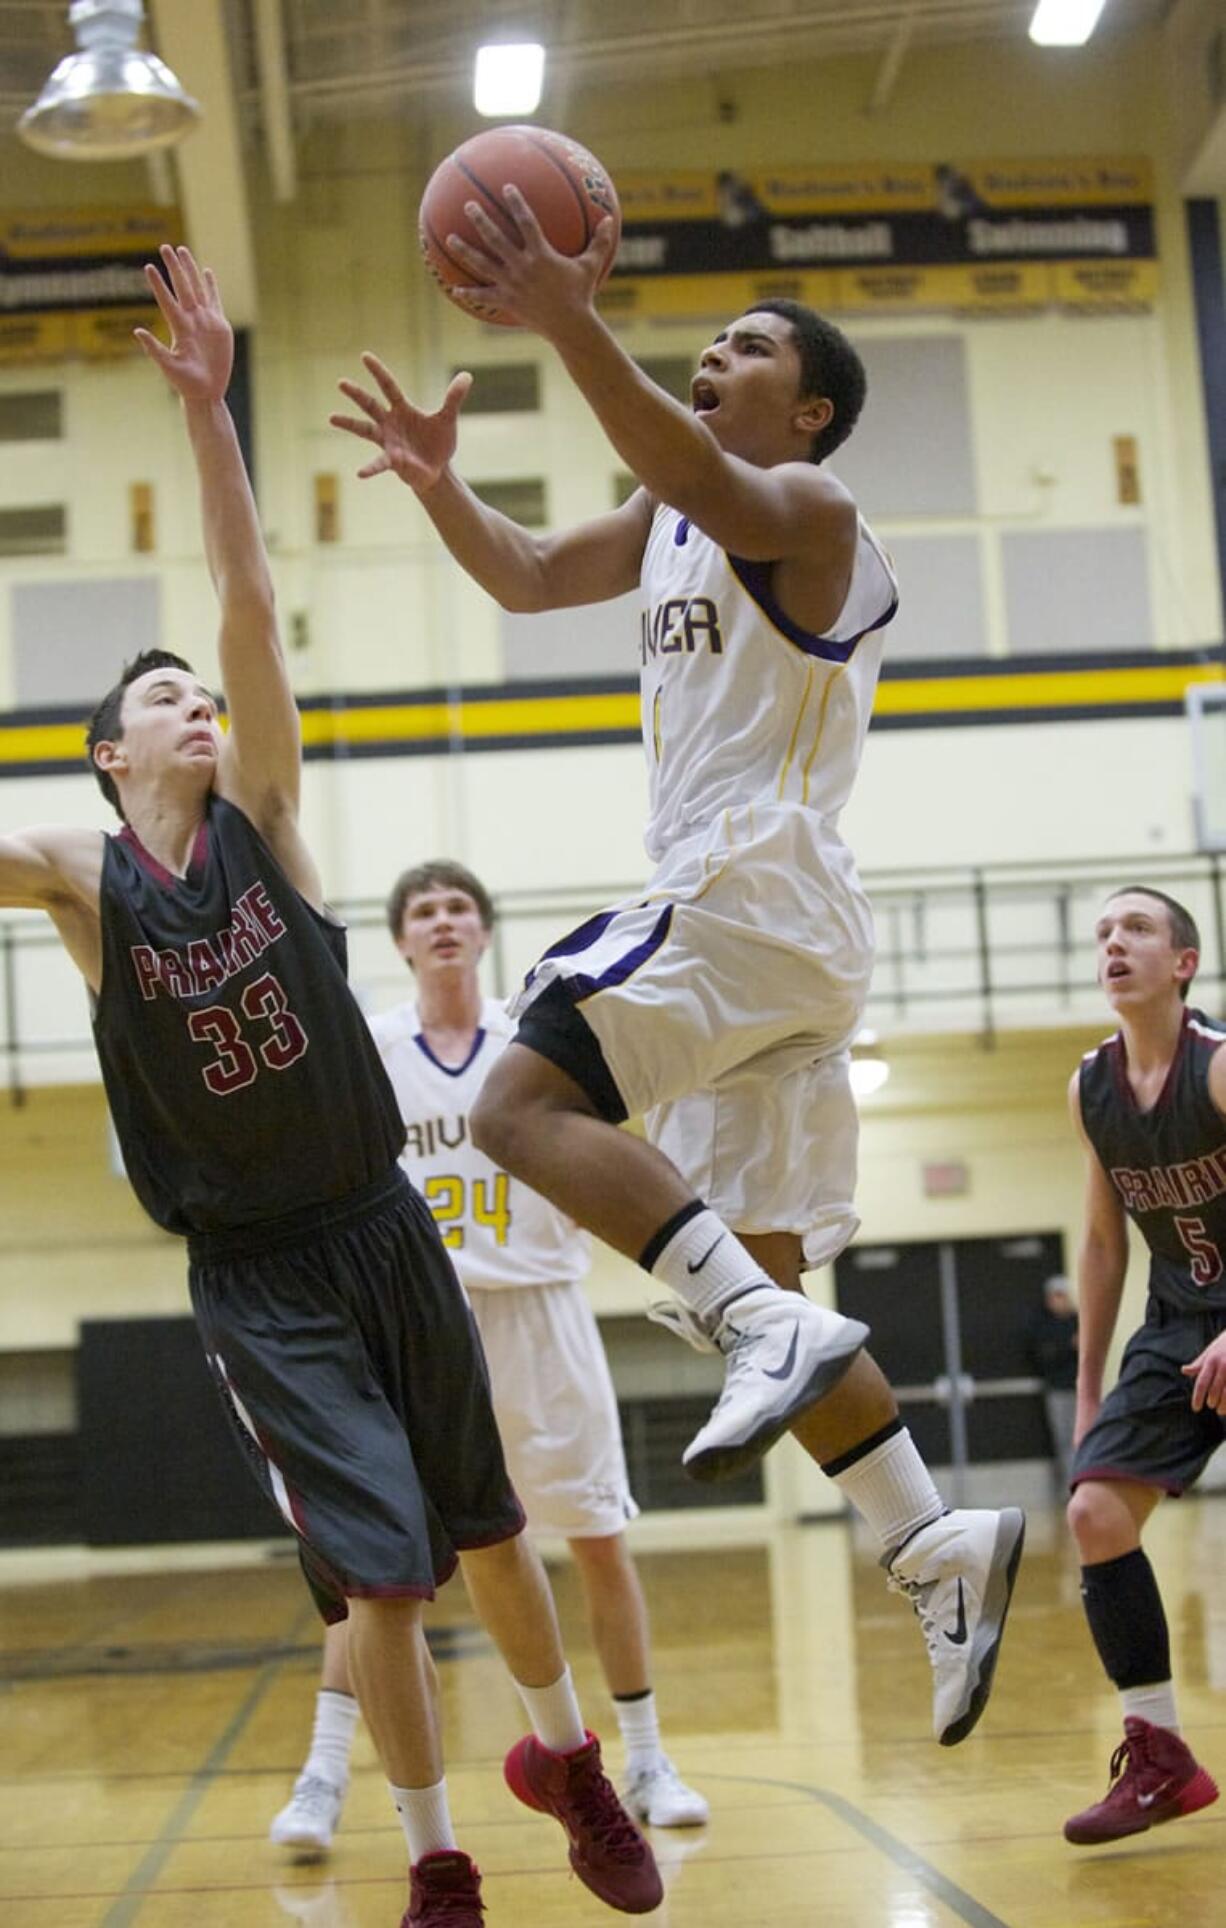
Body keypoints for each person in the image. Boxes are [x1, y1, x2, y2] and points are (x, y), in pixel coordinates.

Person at [0, 245, 661, 1928]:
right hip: (259, 1270)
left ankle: (571, 1759)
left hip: (383, 1225)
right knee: (378, 1565)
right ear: (109, 754)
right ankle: (436, 1855)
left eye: (198, 693)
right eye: (161, 699)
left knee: (493, 1530)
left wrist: (215, 416)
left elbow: (247, 602)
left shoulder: (266, 818)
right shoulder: (86, 881)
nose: (195, 701)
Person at [331, 197, 1023, 1747]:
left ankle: (779, 1353)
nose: (715, 353)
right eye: (708, 339)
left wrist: (566, 314)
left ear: (815, 408)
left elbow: (700, 469)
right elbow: (519, 574)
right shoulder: (667, 525)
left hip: (746, 882)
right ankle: (933, 1544)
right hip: (771, 938)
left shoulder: (810, 512)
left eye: (748, 346)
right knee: (765, 1287)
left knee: (514, 1108)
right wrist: (444, 486)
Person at [271, 858, 707, 1854]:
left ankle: (644, 1754)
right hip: (412, 1322)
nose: (442, 921)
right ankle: (321, 1775)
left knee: (596, 1534)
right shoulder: (370, 1046)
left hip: (541, 1309)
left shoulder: (534, 1046)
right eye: (422, 909)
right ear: (399, 940)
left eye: (458, 906)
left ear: (483, 930)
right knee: (370, 1570)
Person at [1064, 885, 1224, 1845]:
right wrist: (1088, 1389)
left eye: (1137, 930)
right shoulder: (1091, 1086)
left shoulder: (1217, 1069)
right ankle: (1161, 1758)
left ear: (1184, 963)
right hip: (1177, 1321)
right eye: (1104, 934)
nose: (1115, 944)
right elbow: (1101, 1245)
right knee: (1095, 1511)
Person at [1031, 1273, 1079, 1485]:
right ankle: (1071, 1483)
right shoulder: (1043, 1325)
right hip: (1058, 1389)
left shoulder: (1078, 1320)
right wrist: (1069, 1346)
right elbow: (1044, 1355)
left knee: (1085, 1437)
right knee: (1064, 1439)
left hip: (1081, 1388)